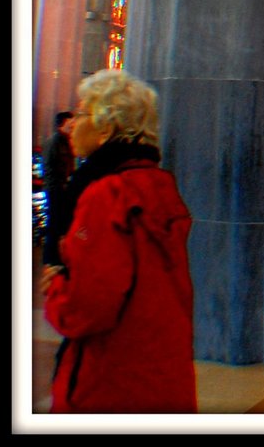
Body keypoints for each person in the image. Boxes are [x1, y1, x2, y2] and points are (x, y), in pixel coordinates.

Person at [42, 69, 195, 413]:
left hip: (109, 380)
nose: (72, 124)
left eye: (81, 113)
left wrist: (57, 289)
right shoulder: (157, 184)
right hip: (160, 371)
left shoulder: (106, 194)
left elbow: (87, 308)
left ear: (105, 128)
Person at [42, 109, 75, 265]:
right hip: (55, 189)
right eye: (70, 122)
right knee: (54, 224)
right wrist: (56, 187)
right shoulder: (54, 142)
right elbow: (48, 167)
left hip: (61, 188)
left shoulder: (65, 141)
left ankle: (54, 256)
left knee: (58, 223)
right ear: (62, 124)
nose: (73, 125)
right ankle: (50, 258)